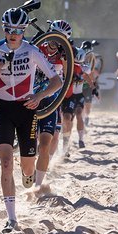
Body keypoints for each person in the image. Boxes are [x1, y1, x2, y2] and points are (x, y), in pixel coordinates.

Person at [0, 8, 62, 234]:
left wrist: (39, 96)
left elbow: (56, 82)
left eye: (18, 30)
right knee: (6, 163)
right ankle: (12, 219)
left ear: (24, 30)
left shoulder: (32, 51)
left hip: (27, 110)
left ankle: (29, 175)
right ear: (4, 29)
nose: (13, 34)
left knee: (28, 169)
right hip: (4, 109)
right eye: (9, 30)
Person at [34, 19, 72, 187]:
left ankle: (39, 181)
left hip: (52, 98)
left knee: (50, 140)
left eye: (60, 38)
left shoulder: (65, 54)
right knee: (31, 140)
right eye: (54, 35)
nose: (55, 41)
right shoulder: (37, 46)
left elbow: (68, 74)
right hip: (33, 95)